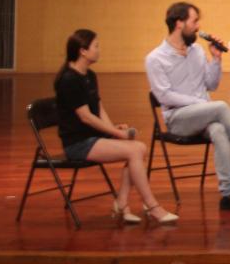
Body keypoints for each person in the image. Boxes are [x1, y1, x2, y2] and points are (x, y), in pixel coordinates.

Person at [145, 2, 230, 213]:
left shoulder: (197, 51)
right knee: (221, 107)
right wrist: (200, 103)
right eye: (194, 21)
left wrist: (216, 59)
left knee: (218, 130)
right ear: (179, 23)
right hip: (178, 119)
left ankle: (228, 194)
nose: (198, 26)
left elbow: (211, 84)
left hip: (203, 114)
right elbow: (164, 95)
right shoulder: (155, 58)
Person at [55, 29, 179, 225]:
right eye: (96, 46)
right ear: (83, 51)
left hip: (93, 137)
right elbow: (86, 117)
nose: (99, 50)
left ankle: (122, 203)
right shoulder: (69, 79)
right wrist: (114, 133)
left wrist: (112, 127)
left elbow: (98, 108)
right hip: (78, 143)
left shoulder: (89, 75)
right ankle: (152, 206)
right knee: (135, 150)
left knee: (139, 148)